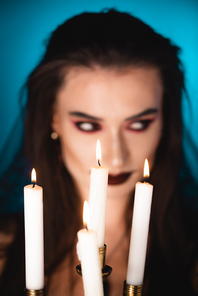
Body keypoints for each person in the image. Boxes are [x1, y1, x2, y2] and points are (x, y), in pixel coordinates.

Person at [0, 8, 198, 296]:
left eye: (139, 124)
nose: (116, 157)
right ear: (53, 119)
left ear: (166, 121)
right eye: (89, 125)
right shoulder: (5, 250)